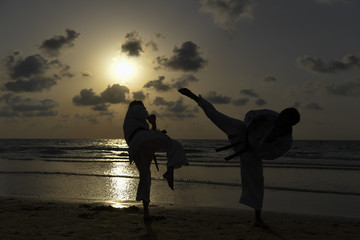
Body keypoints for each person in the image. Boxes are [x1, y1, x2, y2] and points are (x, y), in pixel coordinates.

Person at [178, 88, 300, 228]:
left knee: (257, 183)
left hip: (252, 153)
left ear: (290, 124)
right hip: (242, 131)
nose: (280, 119)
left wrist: (265, 144)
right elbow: (249, 115)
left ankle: (257, 219)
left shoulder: (285, 140)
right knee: (217, 116)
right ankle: (195, 97)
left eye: (284, 120)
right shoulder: (271, 115)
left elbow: (272, 155)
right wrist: (254, 121)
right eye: (282, 116)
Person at [123, 100, 188, 220]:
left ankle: (146, 213)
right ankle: (169, 171)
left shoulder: (135, 122)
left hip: (137, 146)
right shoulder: (134, 108)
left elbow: (151, 135)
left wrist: (153, 123)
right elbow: (143, 114)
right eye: (143, 107)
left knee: (145, 176)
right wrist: (149, 116)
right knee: (174, 144)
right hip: (140, 140)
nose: (143, 108)